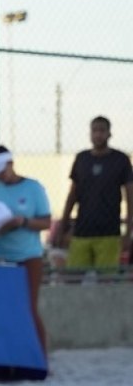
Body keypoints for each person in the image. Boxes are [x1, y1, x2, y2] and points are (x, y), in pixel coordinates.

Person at [0, 145, 51, 354]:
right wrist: (2, 227)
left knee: (28, 308)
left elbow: (46, 222)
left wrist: (23, 222)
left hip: (28, 256)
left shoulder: (33, 188)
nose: (0, 176)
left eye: (2, 171)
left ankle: (38, 356)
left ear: (11, 164)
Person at [54, 116, 133, 270]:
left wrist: (128, 232)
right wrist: (63, 226)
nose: (98, 134)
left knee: (106, 279)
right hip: (81, 232)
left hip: (109, 233)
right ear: (90, 133)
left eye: (102, 130)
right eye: (94, 130)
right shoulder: (82, 158)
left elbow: (130, 197)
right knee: (74, 277)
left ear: (109, 133)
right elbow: (72, 195)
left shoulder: (121, 159)